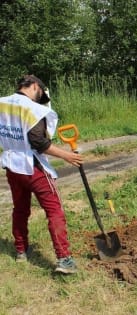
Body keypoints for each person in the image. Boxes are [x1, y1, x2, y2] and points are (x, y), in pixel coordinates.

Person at [0, 75, 83, 274]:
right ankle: (64, 259)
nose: (39, 101)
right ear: (35, 86)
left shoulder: (2, 103)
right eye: (39, 96)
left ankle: (21, 250)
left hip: (12, 166)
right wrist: (66, 156)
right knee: (54, 210)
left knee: (20, 209)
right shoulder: (33, 109)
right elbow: (38, 142)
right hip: (32, 168)